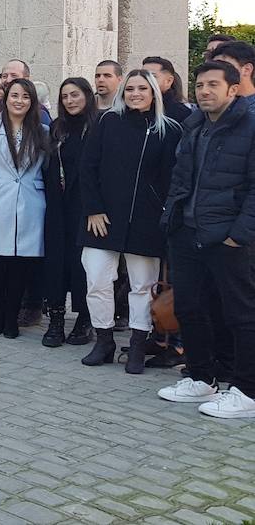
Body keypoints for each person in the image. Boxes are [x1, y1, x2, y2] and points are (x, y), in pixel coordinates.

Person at [158, 60, 255, 419]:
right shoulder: (194, 125)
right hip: (188, 232)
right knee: (190, 308)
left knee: (240, 314)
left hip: (228, 238)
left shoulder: (249, 126)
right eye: (200, 85)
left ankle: (246, 391)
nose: (204, 91)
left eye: (213, 84)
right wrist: (172, 218)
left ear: (233, 88)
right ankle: (202, 377)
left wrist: (238, 236)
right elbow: (181, 178)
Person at [78, 69, 182, 371]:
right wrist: (93, 208)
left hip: (145, 222)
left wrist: (163, 214)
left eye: (142, 88)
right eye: (130, 89)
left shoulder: (169, 129)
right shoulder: (108, 122)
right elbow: (88, 167)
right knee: (96, 279)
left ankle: (138, 343)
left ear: (154, 93)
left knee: (142, 285)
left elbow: (172, 178)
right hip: (102, 218)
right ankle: (104, 339)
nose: (135, 94)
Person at [0, 79, 48, 338]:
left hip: (29, 204)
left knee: (19, 266)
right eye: (15, 95)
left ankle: (12, 316)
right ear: (5, 98)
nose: (19, 101)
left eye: (26, 96)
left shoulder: (42, 131)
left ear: (32, 101)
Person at [42, 77, 97, 346]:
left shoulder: (98, 126)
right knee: (55, 263)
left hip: (86, 209)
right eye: (65, 97)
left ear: (87, 96)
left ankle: (84, 321)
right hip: (57, 207)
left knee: (82, 265)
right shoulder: (57, 128)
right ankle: (55, 318)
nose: (70, 101)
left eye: (75, 95)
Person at [143, 55, 191, 121]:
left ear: (169, 81)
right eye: (143, 76)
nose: (145, 81)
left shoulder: (181, 113)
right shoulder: (135, 108)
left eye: (152, 77)